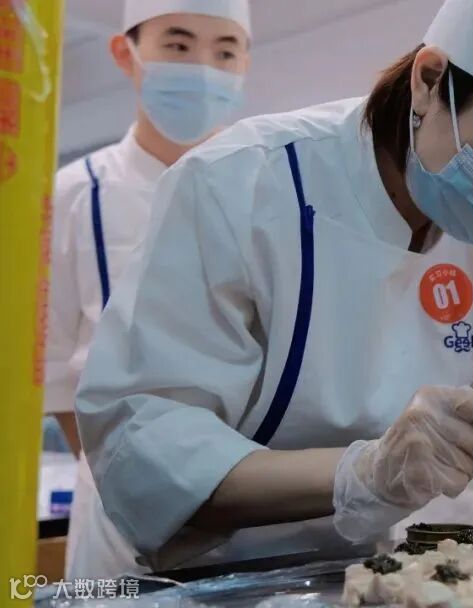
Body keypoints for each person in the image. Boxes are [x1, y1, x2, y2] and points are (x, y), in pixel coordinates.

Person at [72, 0, 473, 578]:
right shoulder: (239, 183)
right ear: (429, 81)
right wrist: (360, 474)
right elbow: (146, 443)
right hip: (185, 574)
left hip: (350, 571)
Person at [44, 0, 253, 578]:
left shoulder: (270, 187)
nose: (203, 68)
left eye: (225, 52)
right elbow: (55, 369)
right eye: (178, 45)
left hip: (257, 501)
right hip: (117, 516)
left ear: (245, 64)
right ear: (125, 52)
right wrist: (125, 478)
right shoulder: (75, 195)